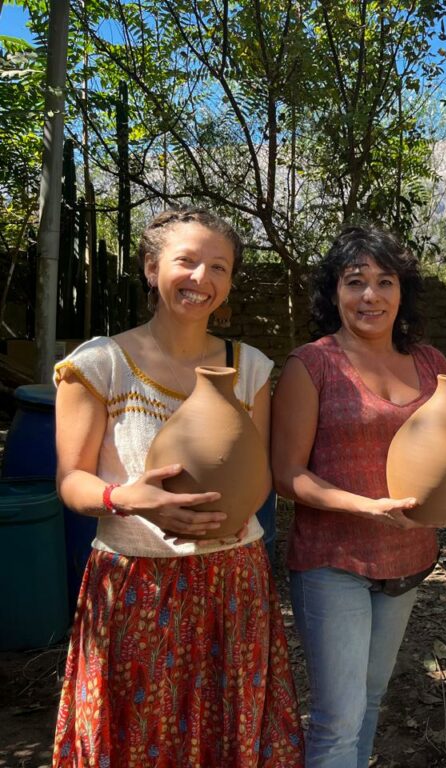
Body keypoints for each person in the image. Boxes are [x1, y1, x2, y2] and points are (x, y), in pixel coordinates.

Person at [51, 208, 303, 767]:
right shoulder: (98, 364)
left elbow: (259, 474)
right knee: (141, 738)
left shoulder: (251, 367)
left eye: (219, 267)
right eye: (186, 261)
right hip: (135, 580)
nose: (201, 279)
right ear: (150, 267)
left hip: (233, 579)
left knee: (223, 736)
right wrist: (126, 498)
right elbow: (71, 482)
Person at [271, 225, 446, 768]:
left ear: (402, 292)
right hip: (333, 560)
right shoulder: (312, 364)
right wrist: (365, 506)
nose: (371, 295)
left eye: (384, 281)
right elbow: (285, 474)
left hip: (407, 557)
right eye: (355, 281)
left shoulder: (431, 364)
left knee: (370, 701)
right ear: (334, 293)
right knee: (338, 719)